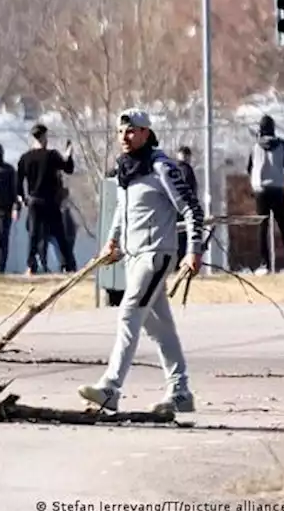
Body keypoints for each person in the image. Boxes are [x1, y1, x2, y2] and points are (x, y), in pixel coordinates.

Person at [80, 109, 201, 415]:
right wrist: (112, 241)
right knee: (159, 328)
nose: (125, 137)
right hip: (133, 256)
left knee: (129, 312)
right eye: (121, 132)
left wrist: (194, 250)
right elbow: (122, 211)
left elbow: (191, 209)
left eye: (132, 131)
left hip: (157, 253)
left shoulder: (162, 167)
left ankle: (111, 387)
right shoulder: (125, 169)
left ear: (146, 132)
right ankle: (180, 391)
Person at [17, 124, 77, 273]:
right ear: (44, 137)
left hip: (34, 201)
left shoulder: (25, 158)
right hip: (50, 201)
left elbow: (18, 181)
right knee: (59, 234)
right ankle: (67, 265)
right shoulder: (52, 155)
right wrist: (68, 155)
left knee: (34, 235)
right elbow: (68, 169)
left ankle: (31, 265)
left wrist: (22, 198)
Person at [247, 115, 284, 274]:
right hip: (278, 188)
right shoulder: (282, 144)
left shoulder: (255, 147)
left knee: (263, 228)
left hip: (261, 191)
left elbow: (250, 168)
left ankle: (264, 265)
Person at [0, 143, 20, 273]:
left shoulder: (8, 170)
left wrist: (16, 207)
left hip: (5, 209)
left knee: (3, 239)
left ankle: (0, 267)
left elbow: (15, 191)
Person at [173, 147, 198, 264]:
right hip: (184, 209)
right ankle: (181, 261)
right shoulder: (187, 170)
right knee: (183, 237)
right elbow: (190, 191)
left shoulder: (172, 169)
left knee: (176, 237)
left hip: (174, 209)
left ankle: (176, 262)